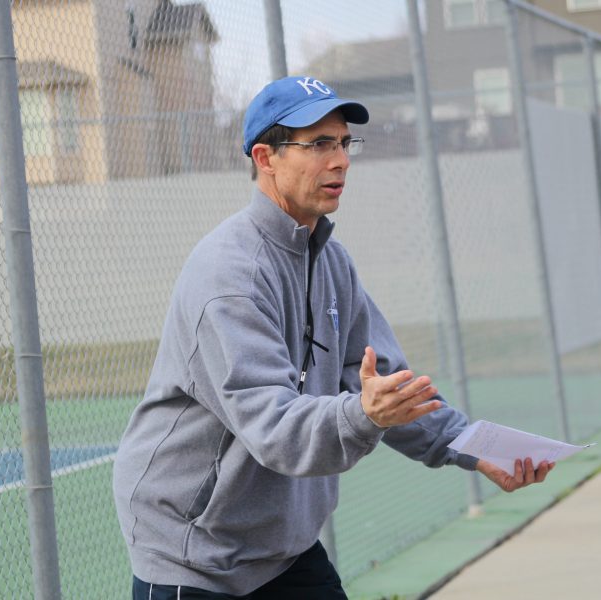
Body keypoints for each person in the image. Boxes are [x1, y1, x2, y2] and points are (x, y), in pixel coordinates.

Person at [113, 75, 555, 599]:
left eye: (345, 142)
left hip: (284, 548)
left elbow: (388, 384)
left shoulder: (330, 261)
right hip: (197, 553)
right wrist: (364, 414)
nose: (341, 160)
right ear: (265, 157)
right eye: (319, 144)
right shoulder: (227, 276)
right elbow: (273, 427)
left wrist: (475, 447)